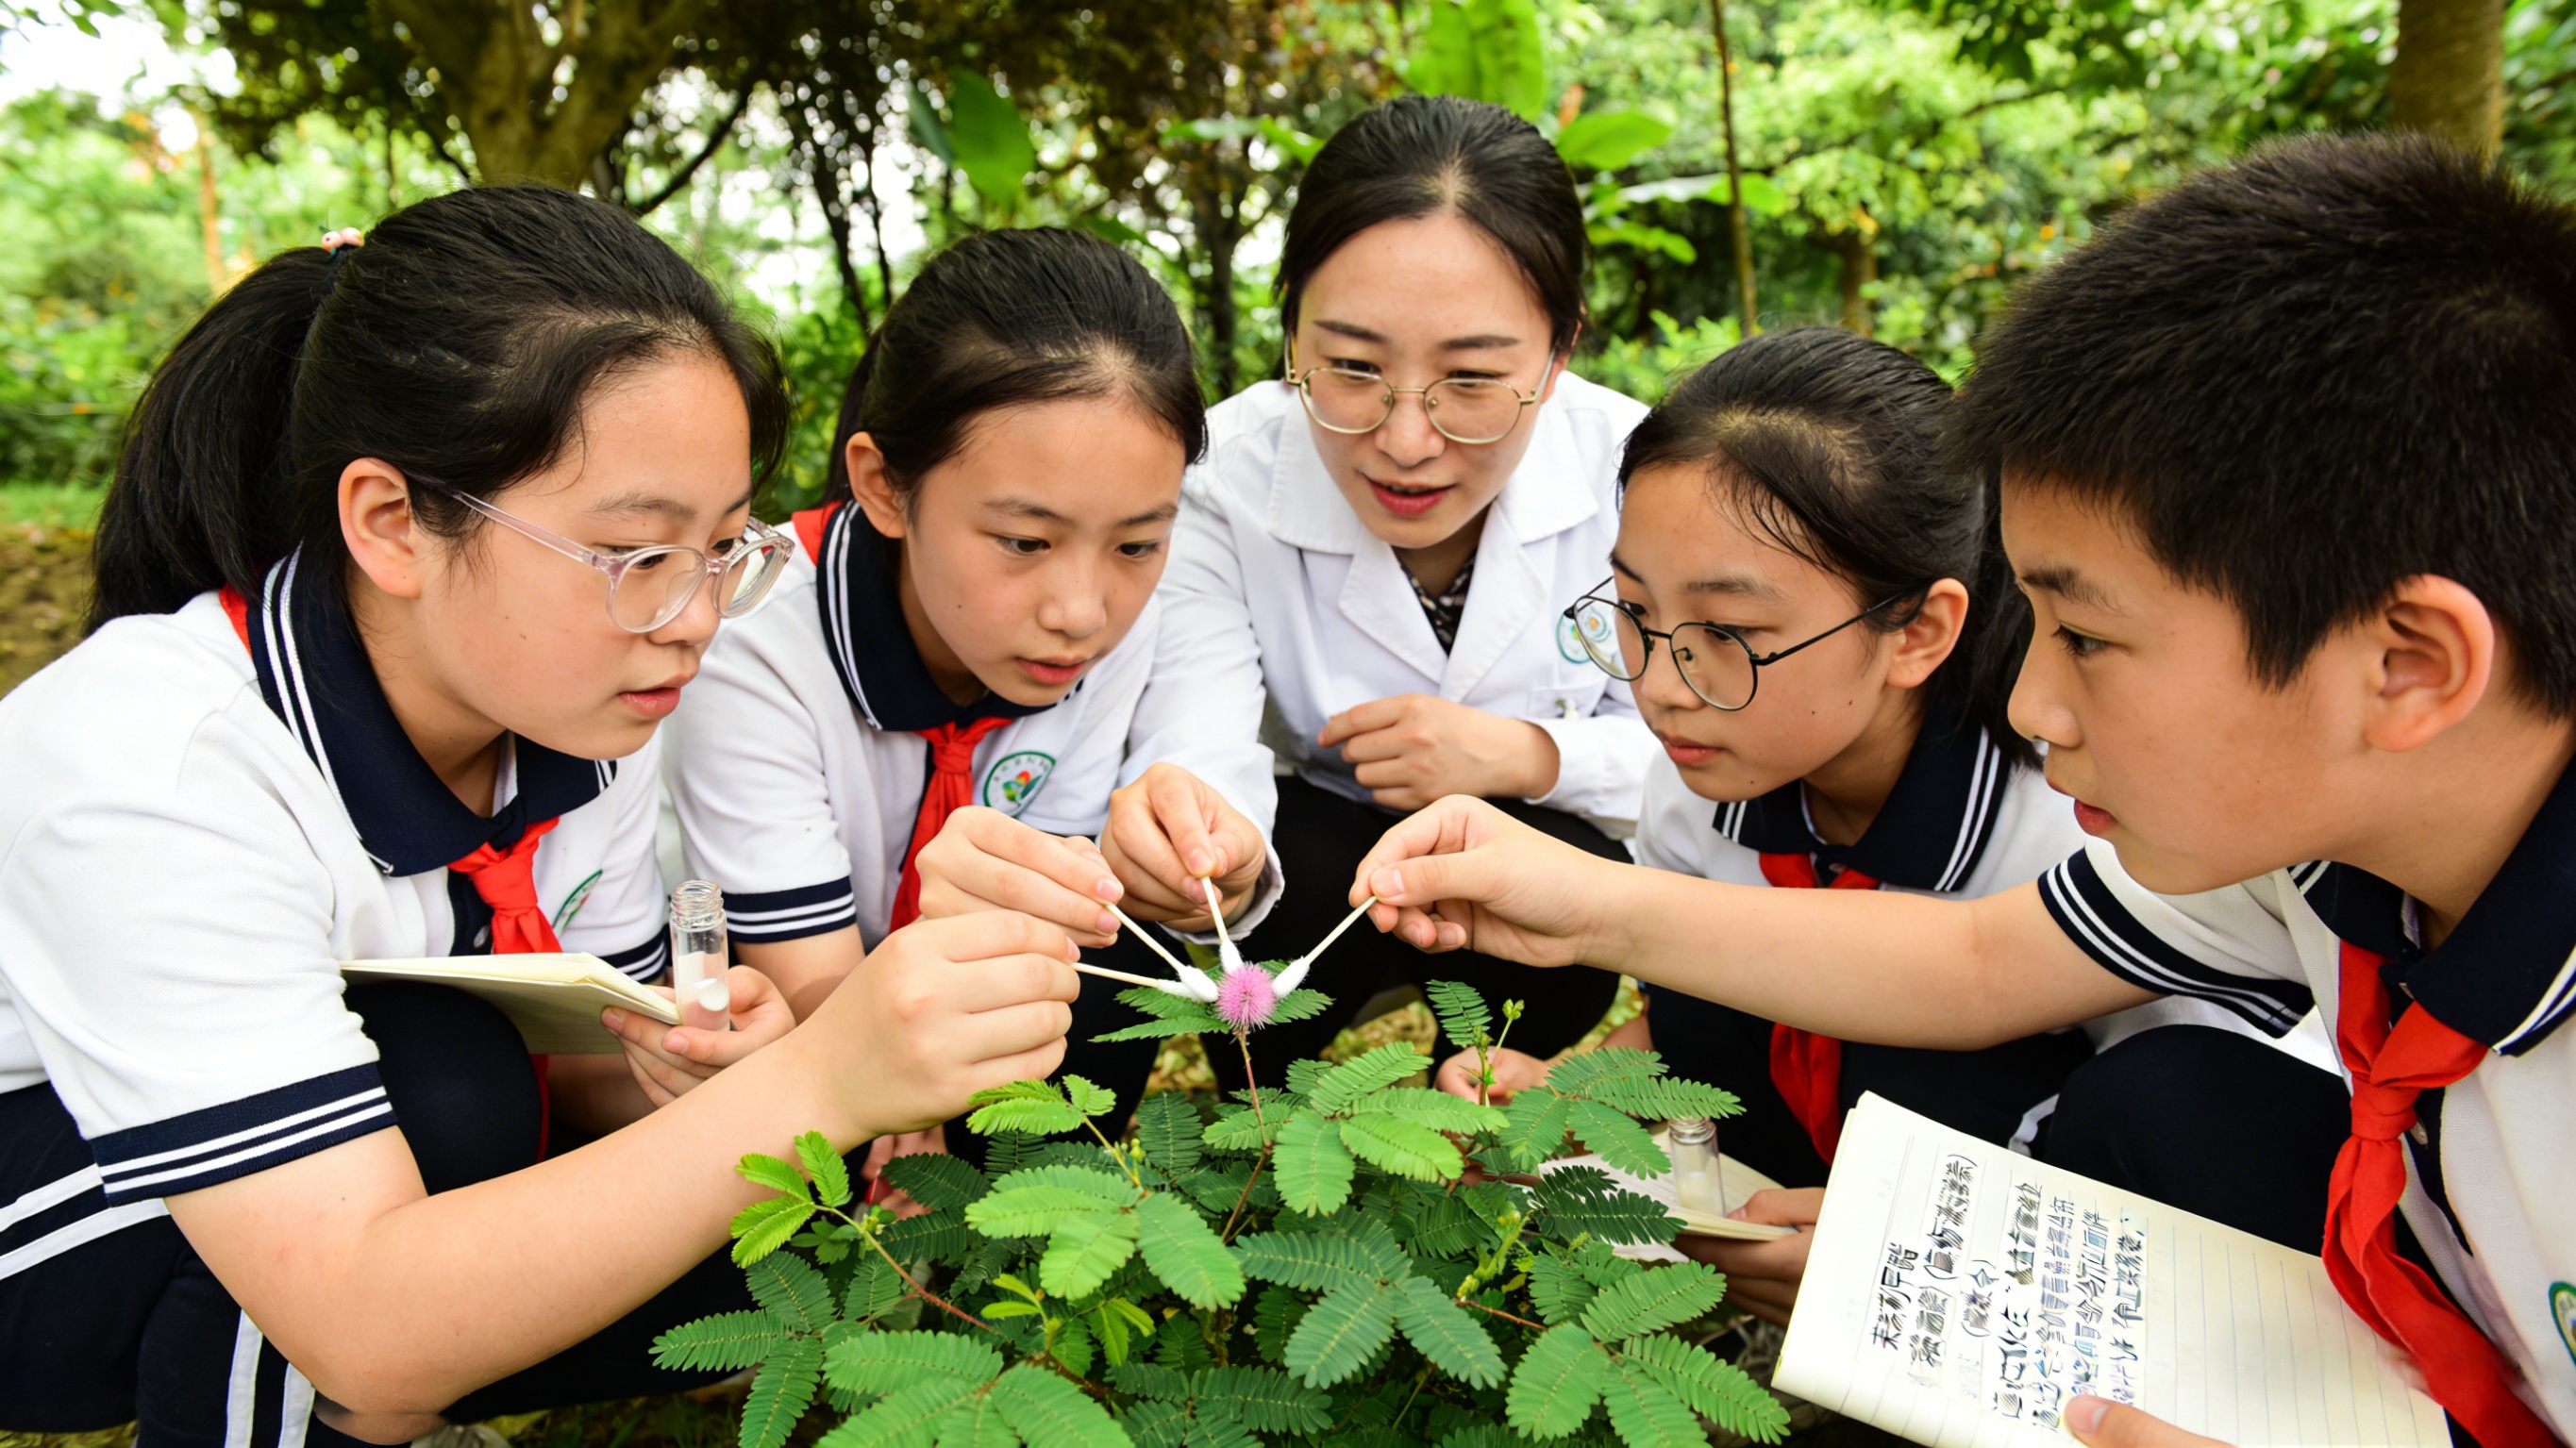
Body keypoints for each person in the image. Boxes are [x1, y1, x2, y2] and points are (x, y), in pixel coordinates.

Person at [1349, 137, 2576, 1448]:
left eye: (2089, 640)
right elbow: (1982, 958)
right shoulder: (2323, 862)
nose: (2036, 707)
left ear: (2407, 663)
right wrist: (1587, 919)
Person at [0, 187, 1079, 1446]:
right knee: (446, 1088)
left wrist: (707, 1068)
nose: (693, 617)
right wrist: (819, 1080)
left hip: (296, 1189)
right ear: (392, 521)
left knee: (754, 1211)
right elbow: (358, 1307)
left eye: (728, 547)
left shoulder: (586, 718)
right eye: (635, 555)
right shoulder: (159, 761)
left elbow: (578, 1066)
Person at [1426, 325, 2343, 1325]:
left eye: (1728, 635)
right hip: (1805, 1178)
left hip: (2082, 1255)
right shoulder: (1703, 780)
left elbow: (2179, 1129)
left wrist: (1930, 1251)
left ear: (1917, 630)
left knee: (1931, 1048)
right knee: (1724, 961)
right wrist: (1559, 1089)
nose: (1659, 683)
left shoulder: (2085, 822)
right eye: (1637, 612)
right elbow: (1697, 1019)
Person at [665, 226, 1276, 1182]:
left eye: (1135, 543)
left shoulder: (1136, 615)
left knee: (1121, 943)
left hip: (993, 1034)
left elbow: (1183, 794)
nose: (1082, 611)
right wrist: (889, 1096)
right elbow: (809, 987)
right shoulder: (754, 643)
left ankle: (1048, 1211)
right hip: (788, 1041)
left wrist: (1200, 855)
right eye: (1025, 541)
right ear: (886, 486)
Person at [1146, 92, 1654, 1089]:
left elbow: (1702, 755)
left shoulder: (1640, 473)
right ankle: (1256, 1117)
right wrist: (1219, 848)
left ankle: (1489, 1085)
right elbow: (1198, 730)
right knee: (1277, 918)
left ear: (1558, 353)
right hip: (1320, 835)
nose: (1407, 441)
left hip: (1537, 836)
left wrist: (1524, 751)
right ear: (1290, 324)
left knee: (1552, 870)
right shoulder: (1216, 480)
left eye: (1471, 379)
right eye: (1350, 366)